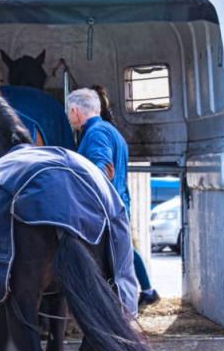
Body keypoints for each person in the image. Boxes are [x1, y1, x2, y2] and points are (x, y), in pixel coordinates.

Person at [68, 87, 160, 307]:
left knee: (118, 265)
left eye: (68, 114)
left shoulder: (96, 134)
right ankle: (138, 299)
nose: (68, 118)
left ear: (75, 111)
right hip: (118, 205)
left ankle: (124, 314)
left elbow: (103, 169)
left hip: (104, 211)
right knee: (123, 259)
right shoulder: (110, 131)